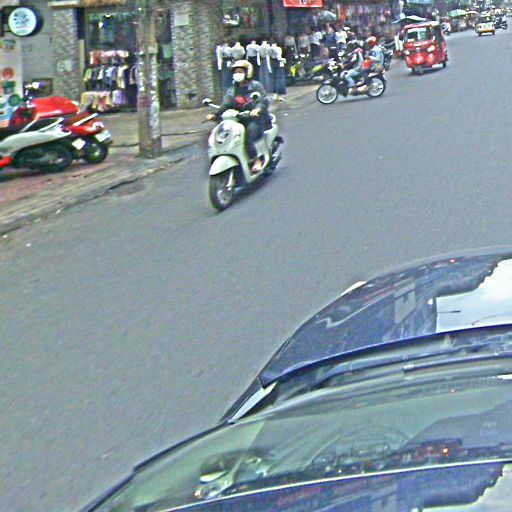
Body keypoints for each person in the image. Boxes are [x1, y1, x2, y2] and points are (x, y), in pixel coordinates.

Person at [206, 60, 270, 173]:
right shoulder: (232, 90)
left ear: (247, 72)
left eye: (240, 71)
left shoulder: (255, 86)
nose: (237, 74)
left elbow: (263, 101)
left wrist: (257, 109)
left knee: (248, 135)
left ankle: (256, 160)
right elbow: (226, 104)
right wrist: (215, 114)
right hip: (238, 119)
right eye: (235, 72)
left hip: (255, 119)